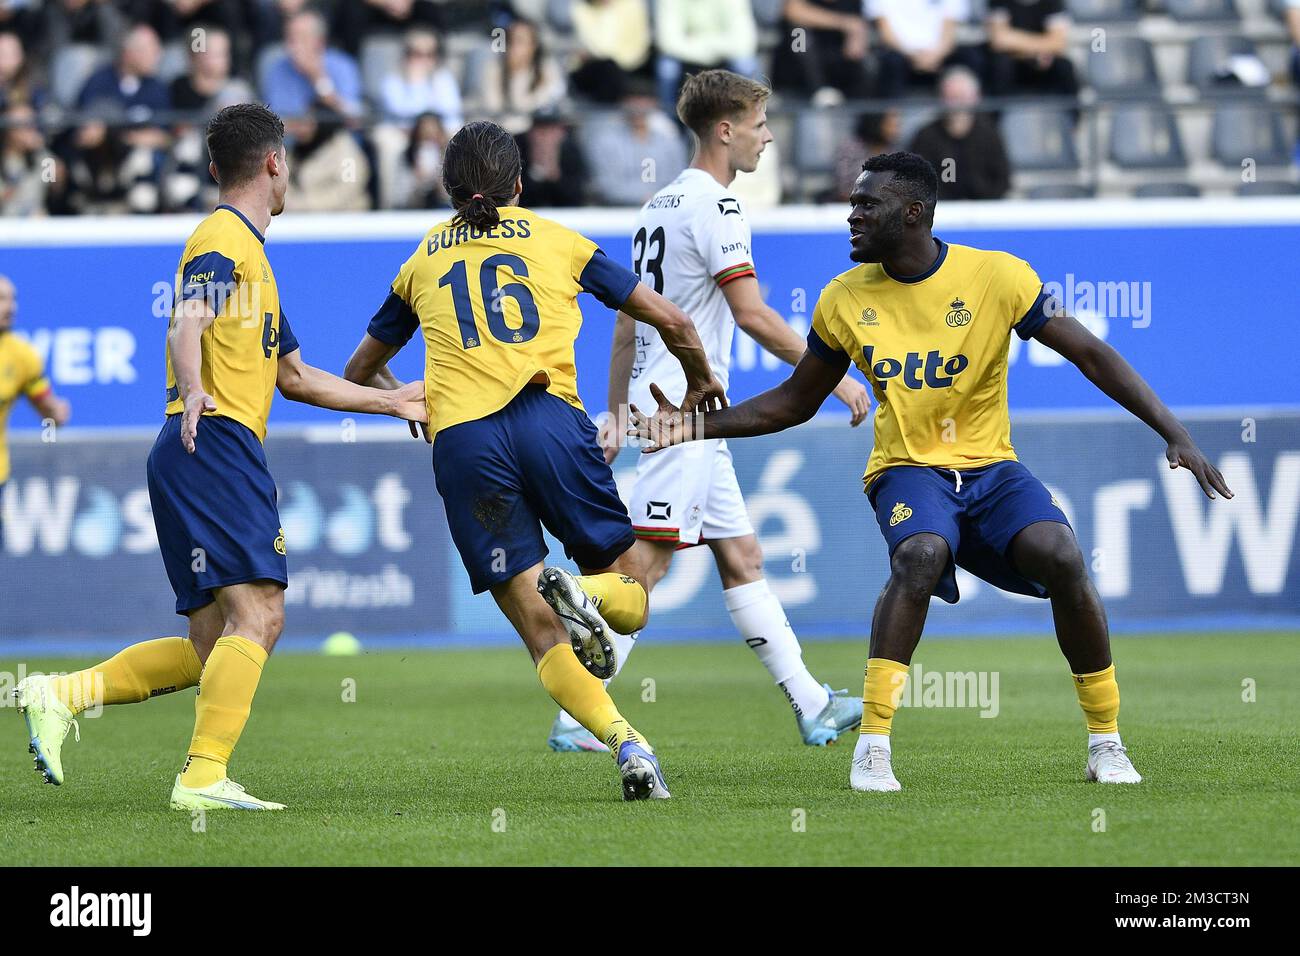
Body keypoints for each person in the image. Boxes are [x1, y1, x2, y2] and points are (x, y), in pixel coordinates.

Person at [629, 151, 1232, 793]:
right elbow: (794, 401)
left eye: (868, 204)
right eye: (853, 203)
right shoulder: (843, 299)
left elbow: (1089, 352)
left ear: (914, 211)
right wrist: (694, 425)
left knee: (1061, 554)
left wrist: (1175, 434)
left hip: (992, 468)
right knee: (918, 554)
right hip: (907, 469)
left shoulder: (997, 277)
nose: (852, 215)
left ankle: (1106, 743)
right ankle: (873, 748)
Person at [13, 104, 426, 810]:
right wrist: (199, 387)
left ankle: (60, 694)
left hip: (192, 448)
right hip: (215, 442)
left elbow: (295, 378)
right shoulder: (225, 238)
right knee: (261, 614)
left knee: (214, 646)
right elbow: (186, 318)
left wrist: (395, 402)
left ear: (214, 167)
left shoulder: (253, 261)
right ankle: (202, 778)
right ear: (274, 164)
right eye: (287, 162)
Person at [341, 120, 726, 800]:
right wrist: (697, 383)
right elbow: (674, 320)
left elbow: (358, 370)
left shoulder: (421, 261)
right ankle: (588, 592)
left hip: (465, 443)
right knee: (630, 600)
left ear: (448, 190)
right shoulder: (560, 242)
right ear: (520, 183)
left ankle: (627, 745)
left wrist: (404, 401)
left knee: (543, 636)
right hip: (550, 420)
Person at [546, 70, 871, 753]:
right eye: (758, 124)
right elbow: (750, 313)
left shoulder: (656, 205)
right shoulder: (718, 209)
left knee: (744, 556)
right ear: (725, 129)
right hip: (682, 410)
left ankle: (812, 704)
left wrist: (614, 412)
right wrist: (828, 371)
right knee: (646, 569)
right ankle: (579, 713)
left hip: (669, 407)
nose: (768, 136)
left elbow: (630, 323)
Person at [0, 274, 71, 548]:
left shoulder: (23, 357)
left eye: (13, 299)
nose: (10, 307)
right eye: (2, 299)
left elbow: (46, 406)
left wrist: (56, 412)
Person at [907, 67, 1009, 201]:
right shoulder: (926, 136)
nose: (957, 104)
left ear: (975, 98)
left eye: (962, 97)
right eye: (952, 98)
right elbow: (915, 180)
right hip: (939, 211)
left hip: (983, 210)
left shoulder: (989, 134)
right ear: (941, 99)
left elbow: (1002, 179)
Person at [585, 80, 687, 207]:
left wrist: (656, 199)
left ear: (654, 104)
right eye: (634, 101)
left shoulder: (669, 143)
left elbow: (679, 182)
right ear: (623, 103)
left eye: (643, 102)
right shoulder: (604, 140)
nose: (638, 108)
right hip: (616, 212)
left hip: (662, 212)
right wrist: (645, 198)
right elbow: (607, 186)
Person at [262, 8, 362, 120]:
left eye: (302, 37)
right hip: (291, 136)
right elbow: (277, 118)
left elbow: (354, 118)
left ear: (320, 41)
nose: (294, 45)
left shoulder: (342, 65)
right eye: (290, 38)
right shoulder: (279, 69)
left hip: (337, 134)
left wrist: (317, 77)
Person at [771, 0, 872, 103]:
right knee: (798, 34)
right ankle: (819, 90)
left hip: (838, 69)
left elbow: (858, 24)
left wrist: (857, 35)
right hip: (798, 75)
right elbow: (793, 11)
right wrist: (843, 22)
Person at [478, 17, 565, 135]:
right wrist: (513, 74)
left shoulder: (546, 68)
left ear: (533, 46)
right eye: (510, 40)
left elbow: (550, 97)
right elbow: (493, 108)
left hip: (533, 131)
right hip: (501, 133)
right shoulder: (494, 69)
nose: (513, 46)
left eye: (520, 41)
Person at [869, 0, 971, 99]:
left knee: (970, 58)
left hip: (938, 55)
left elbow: (950, 29)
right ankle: (891, 115)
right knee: (892, 62)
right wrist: (913, 55)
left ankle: (966, 114)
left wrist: (935, 55)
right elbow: (886, 33)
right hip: (899, 53)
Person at [984, 0, 1077, 98]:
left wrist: (1013, 40)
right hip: (1012, 63)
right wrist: (1038, 50)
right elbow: (999, 40)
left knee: (1065, 66)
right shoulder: (998, 2)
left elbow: (1058, 43)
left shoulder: (1054, 3)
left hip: (1044, 62)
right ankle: (995, 111)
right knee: (999, 64)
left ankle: (1074, 111)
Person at [380, 28, 462, 127]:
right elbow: (399, 110)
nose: (424, 60)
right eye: (417, 54)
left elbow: (451, 109)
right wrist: (416, 84)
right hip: (403, 131)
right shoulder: (392, 79)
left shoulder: (443, 77)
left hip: (439, 132)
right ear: (406, 55)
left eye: (430, 54)